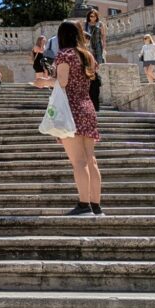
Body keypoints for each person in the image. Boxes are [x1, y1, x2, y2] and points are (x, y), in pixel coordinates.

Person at [54, 21, 103, 216]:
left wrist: (43, 82)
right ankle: (96, 205)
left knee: (78, 161)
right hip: (87, 107)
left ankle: (84, 204)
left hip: (70, 109)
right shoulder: (87, 55)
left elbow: (62, 82)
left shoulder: (64, 55)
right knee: (91, 160)